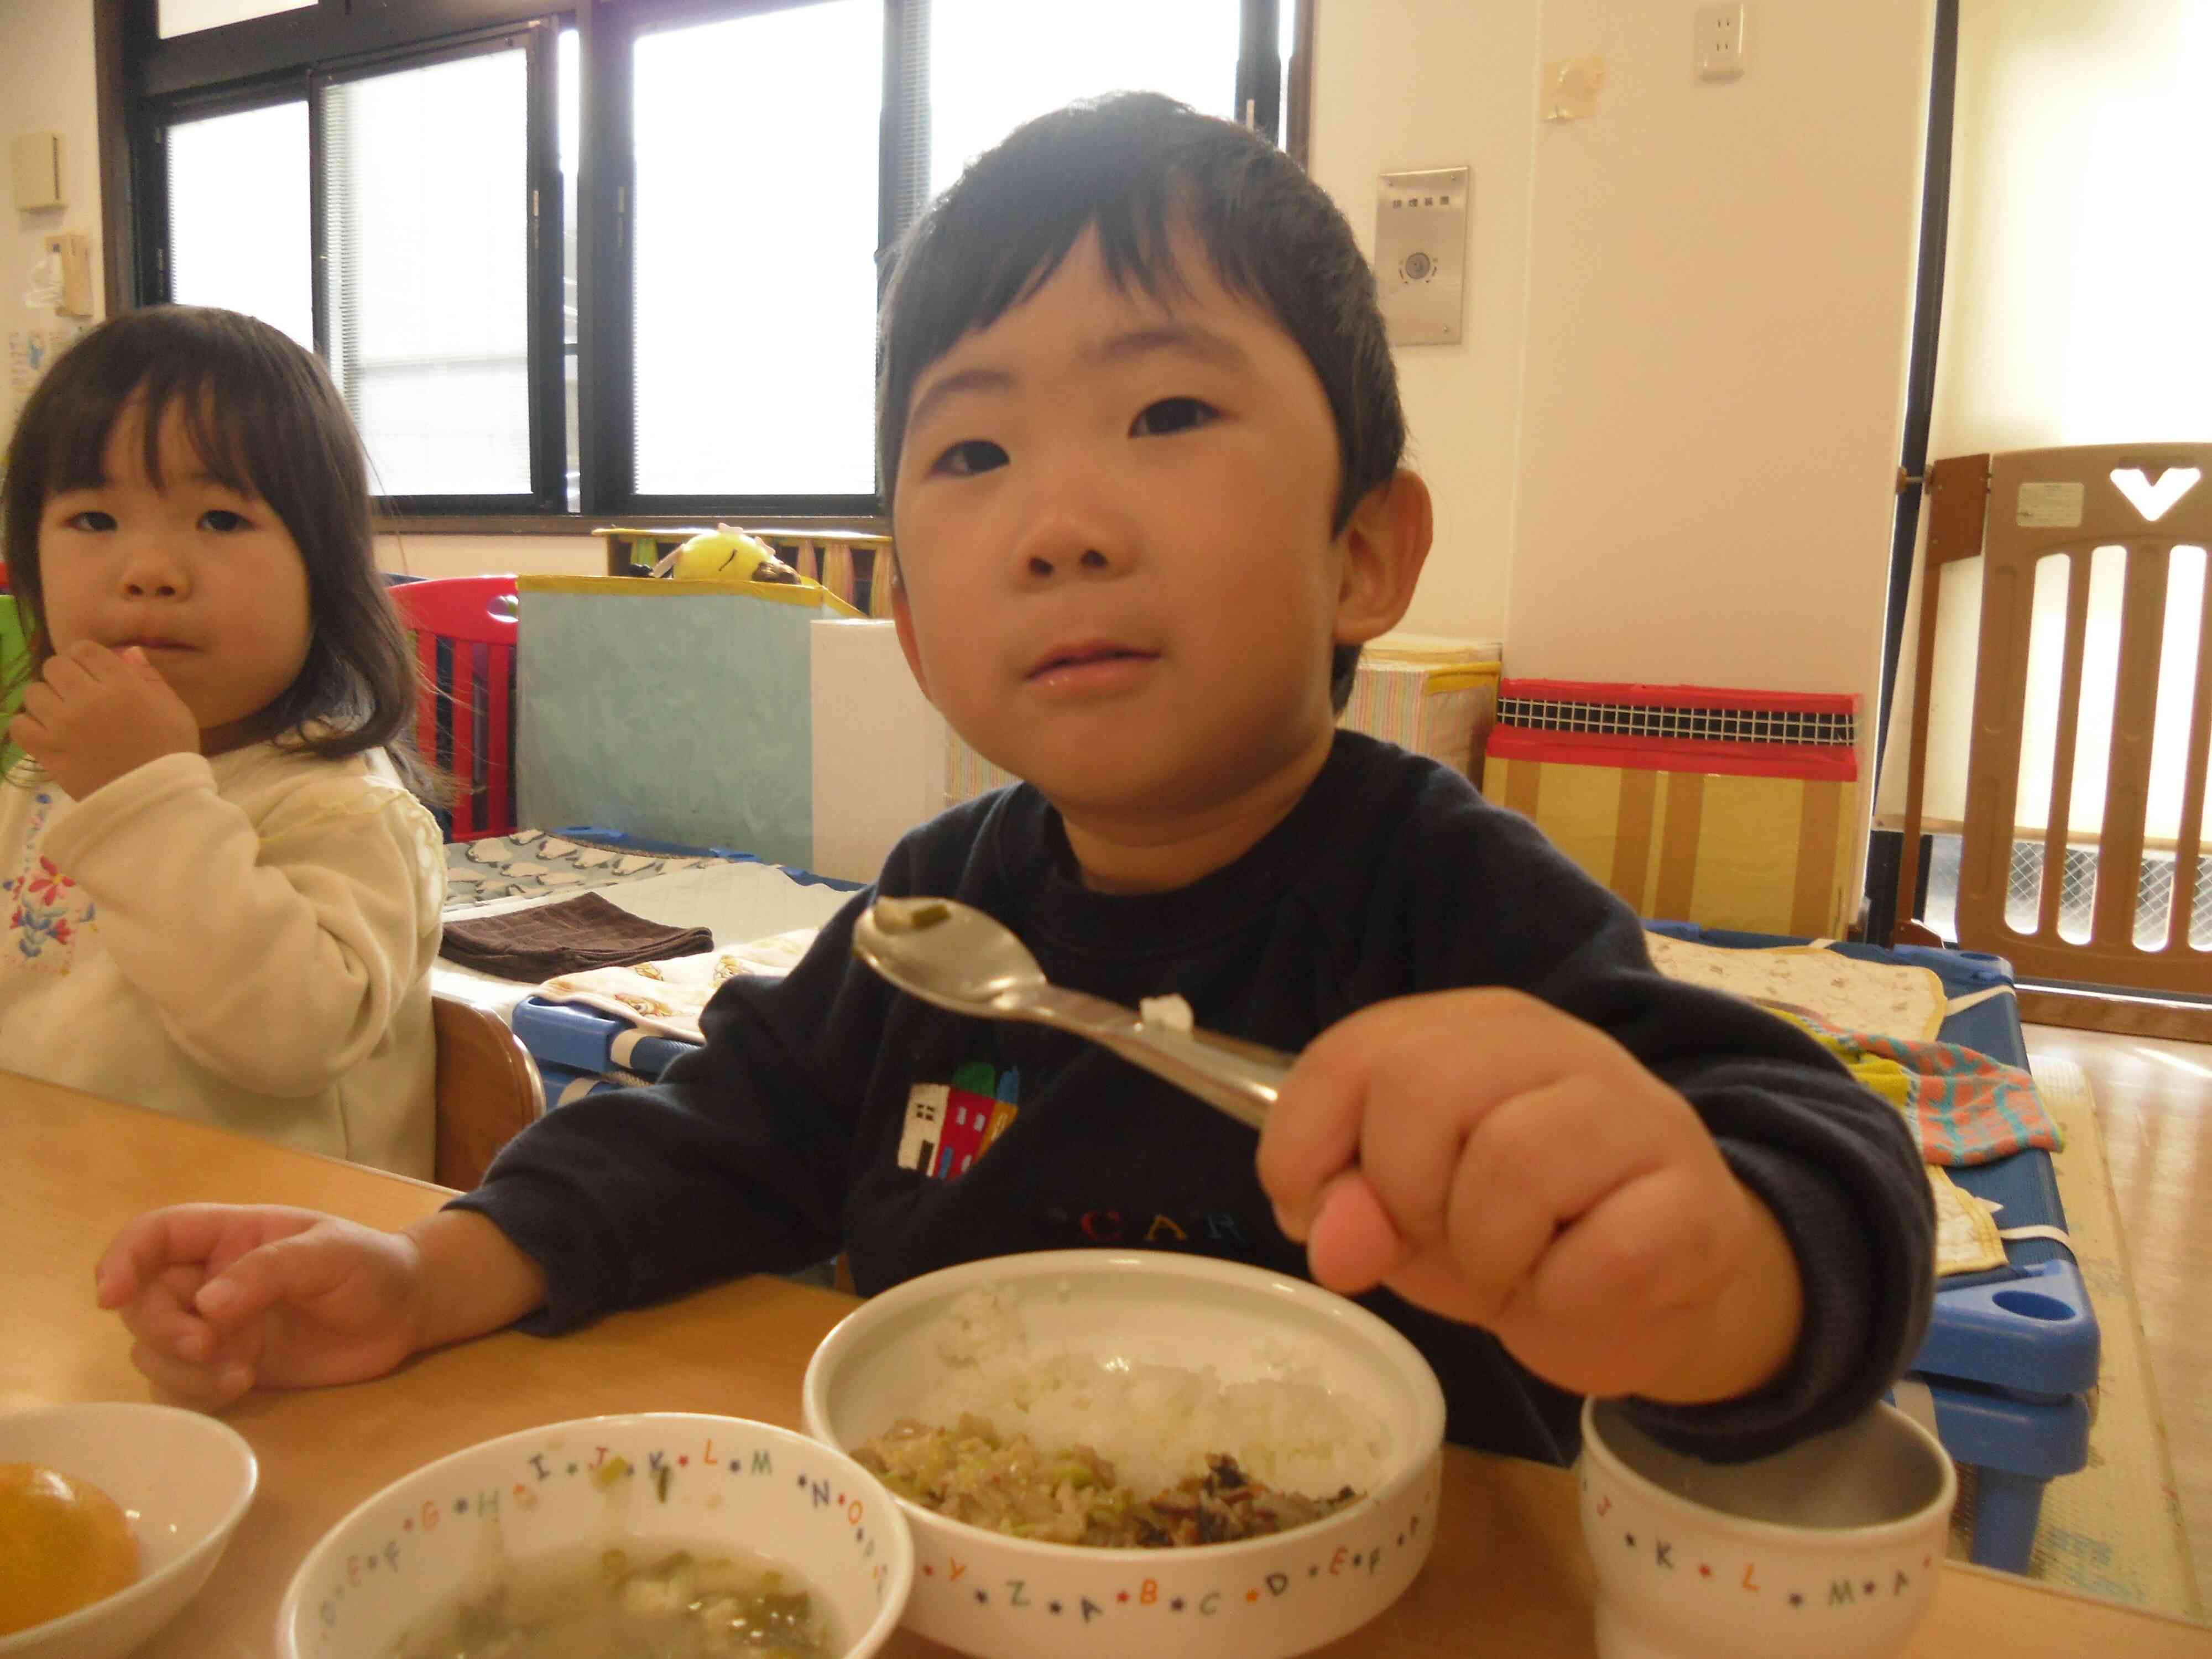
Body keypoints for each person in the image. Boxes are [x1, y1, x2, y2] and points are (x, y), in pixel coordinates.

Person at [95, 97, 1931, 1464]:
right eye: (971, 448)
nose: (1056, 524)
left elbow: (1828, 1155)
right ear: (910, 608)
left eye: (1167, 415)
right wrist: (434, 1277)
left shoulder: (1449, 903)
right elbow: (721, 1135)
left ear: (1364, 553)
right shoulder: (938, 914)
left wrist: (1713, 1278)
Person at [3, 306, 442, 1178]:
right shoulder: (43, 778)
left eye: (219, 521)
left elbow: (292, 1039)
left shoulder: (344, 811)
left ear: (324, 572)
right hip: (54, 1225)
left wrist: (143, 794)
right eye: (94, 520)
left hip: (273, 1271)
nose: (150, 570)